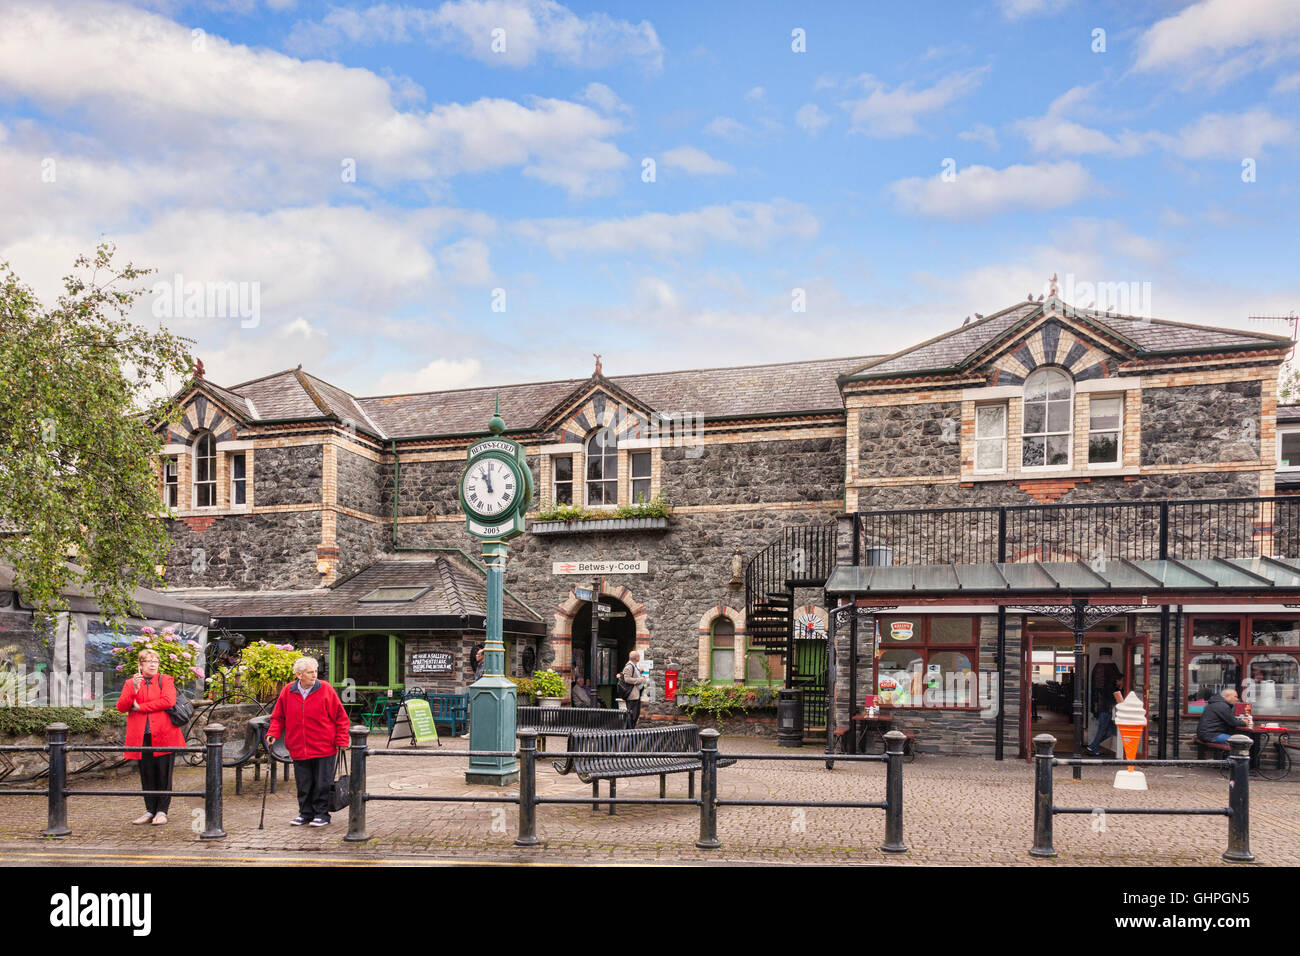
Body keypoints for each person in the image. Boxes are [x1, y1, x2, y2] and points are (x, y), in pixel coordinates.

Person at [266, 657, 351, 827]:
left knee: (322, 783)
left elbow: (341, 717)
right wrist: (273, 733)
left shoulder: (325, 689)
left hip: (324, 746)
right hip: (298, 746)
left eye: (316, 671)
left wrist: (342, 739)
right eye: (310, 672)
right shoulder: (288, 691)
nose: (315, 675)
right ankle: (305, 813)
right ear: (299, 674)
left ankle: (322, 814)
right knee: (304, 783)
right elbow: (278, 716)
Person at [117, 648, 185, 825]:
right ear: (140, 665)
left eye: (156, 661)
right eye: (149, 661)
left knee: (164, 773)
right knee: (146, 773)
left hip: (164, 734)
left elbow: (168, 701)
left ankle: (162, 811)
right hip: (141, 736)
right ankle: (150, 810)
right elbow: (122, 707)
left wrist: (141, 708)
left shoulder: (166, 679)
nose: (153, 664)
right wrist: (135, 690)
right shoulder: (130, 683)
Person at [1085, 648, 1124, 756]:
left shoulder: (1097, 667)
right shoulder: (1113, 670)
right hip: (1107, 709)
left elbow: (1095, 688)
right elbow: (1116, 698)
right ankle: (1093, 747)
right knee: (1104, 730)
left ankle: (1093, 746)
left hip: (1102, 707)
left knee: (1107, 731)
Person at [620, 650, 646, 727]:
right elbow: (627, 679)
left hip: (636, 694)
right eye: (638, 656)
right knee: (631, 715)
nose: (639, 657)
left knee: (635, 714)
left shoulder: (634, 666)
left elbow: (633, 676)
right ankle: (629, 732)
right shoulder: (629, 666)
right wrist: (639, 680)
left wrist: (640, 672)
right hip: (632, 695)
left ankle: (631, 730)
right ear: (636, 658)